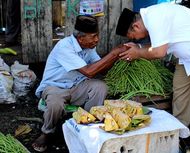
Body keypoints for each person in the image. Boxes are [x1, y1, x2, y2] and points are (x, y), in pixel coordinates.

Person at [116, 3, 190, 153]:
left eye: (133, 37)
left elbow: (159, 52)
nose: (137, 40)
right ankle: (180, 136)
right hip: (188, 55)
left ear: (136, 26)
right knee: (180, 92)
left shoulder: (155, 17)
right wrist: (139, 49)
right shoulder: (151, 17)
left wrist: (138, 52)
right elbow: (158, 44)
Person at [32, 15, 127, 152]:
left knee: (100, 87)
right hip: (55, 86)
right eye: (93, 36)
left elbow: (100, 68)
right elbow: (89, 71)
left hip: (77, 86)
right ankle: (46, 132)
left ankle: (87, 126)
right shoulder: (64, 46)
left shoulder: (89, 47)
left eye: (97, 35)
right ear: (80, 38)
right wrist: (113, 53)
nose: (97, 39)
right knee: (55, 103)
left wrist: (118, 57)